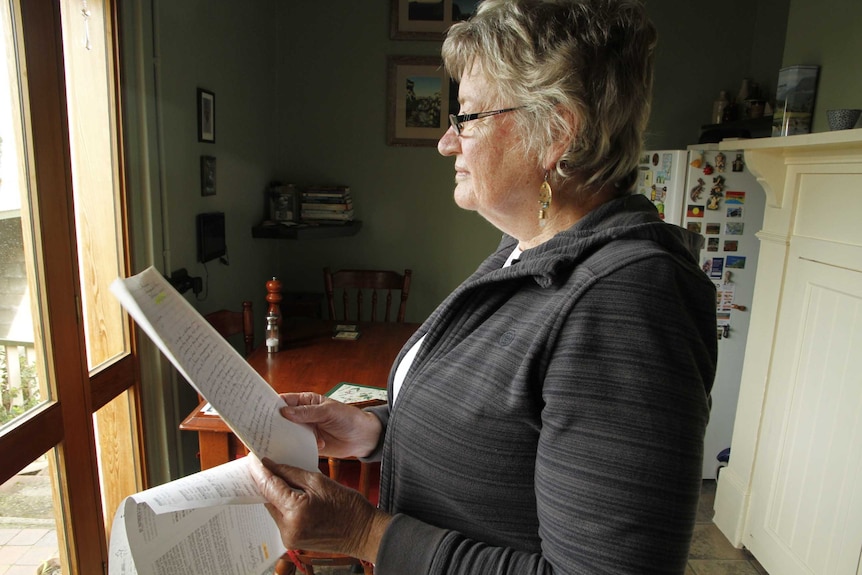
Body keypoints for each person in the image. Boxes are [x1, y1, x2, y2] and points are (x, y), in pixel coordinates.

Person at [250, 0, 717, 573]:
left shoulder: (625, 300)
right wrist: (372, 431)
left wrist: (362, 532)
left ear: (556, 133)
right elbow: (501, 431)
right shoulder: (525, 250)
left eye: (467, 117)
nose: (448, 142)